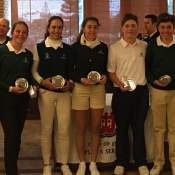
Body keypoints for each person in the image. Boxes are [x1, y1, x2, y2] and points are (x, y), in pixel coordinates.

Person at [108, 13, 149, 175]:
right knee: (122, 129)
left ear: (137, 27)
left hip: (141, 93)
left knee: (139, 128)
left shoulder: (144, 46)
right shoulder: (114, 48)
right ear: (122, 28)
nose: (130, 29)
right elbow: (111, 72)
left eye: (133, 25)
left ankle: (141, 163)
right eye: (127, 26)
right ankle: (121, 163)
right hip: (122, 93)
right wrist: (120, 84)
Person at [32, 16, 73, 175]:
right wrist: (43, 82)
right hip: (46, 94)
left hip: (64, 95)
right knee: (47, 129)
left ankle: (63, 164)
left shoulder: (68, 49)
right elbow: (33, 71)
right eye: (53, 27)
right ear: (48, 29)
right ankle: (47, 164)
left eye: (59, 27)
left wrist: (70, 83)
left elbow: (70, 71)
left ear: (63, 29)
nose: (56, 30)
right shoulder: (39, 47)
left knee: (63, 129)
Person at [70, 17, 108, 175]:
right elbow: (70, 71)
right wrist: (80, 79)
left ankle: (93, 163)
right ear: (83, 28)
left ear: (98, 28)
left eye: (94, 27)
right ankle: (81, 163)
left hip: (98, 90)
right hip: (80, 89)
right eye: (89, 27)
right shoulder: (75, 47)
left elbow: (106, 68)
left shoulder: (104, 47)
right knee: (80, 129)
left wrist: (105, 76)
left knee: (95, 128)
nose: (92, 30)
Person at [0, 21, 33, 175]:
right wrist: (10, 88)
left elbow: (29, 78)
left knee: (17, 137)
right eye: (18, 31)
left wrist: (33, 88)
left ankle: (12, 167)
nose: (21, 34)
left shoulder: (28, 55)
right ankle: (11, 171)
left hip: (22, 102)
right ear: (12, 32)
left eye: (24, 32)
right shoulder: (1, 51)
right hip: (5, 101)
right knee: (11, 136)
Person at [145, 13, 175, 175]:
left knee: (174, 129)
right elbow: (147, 69)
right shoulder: (152, 45)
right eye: (162, 27)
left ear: (173, 28)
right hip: (157, 92)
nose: (166, 30)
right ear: (158, 28)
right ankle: (158, 163)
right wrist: (153, 81)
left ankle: (174, 161)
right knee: (158, 129)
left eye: (169, 27)